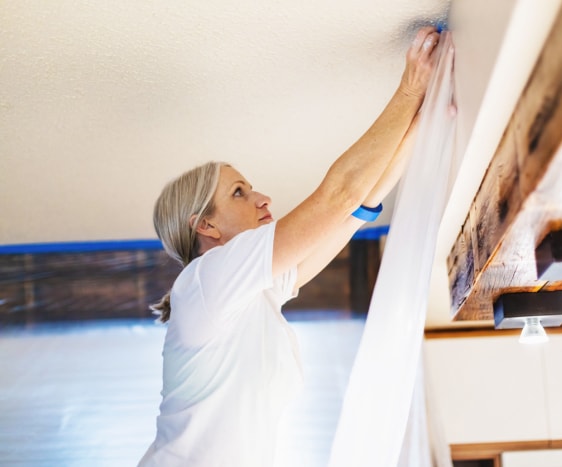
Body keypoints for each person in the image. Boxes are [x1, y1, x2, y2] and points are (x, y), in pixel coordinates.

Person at [138, 26, 441, 467]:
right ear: (206, 225)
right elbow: (336, 197)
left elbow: (352, 213)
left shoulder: (250, 294)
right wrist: (410, 90)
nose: (264, 199)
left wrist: (422, 123)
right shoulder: (208, 279)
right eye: (240, 193)